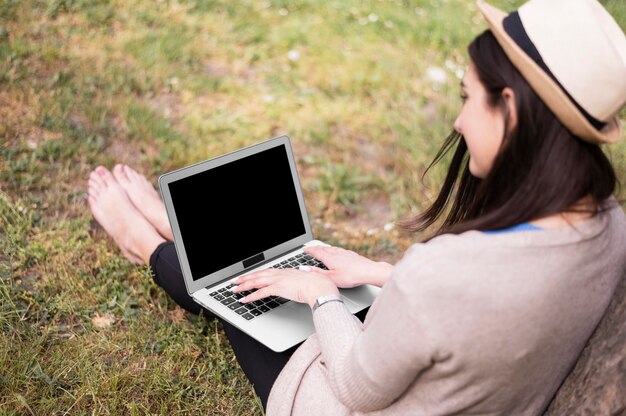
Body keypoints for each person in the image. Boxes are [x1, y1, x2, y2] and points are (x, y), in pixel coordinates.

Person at [87, 0, 626, 414]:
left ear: (508, 109)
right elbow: (477, 311)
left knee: (241, 290)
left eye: (466, 97)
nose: (459, 122)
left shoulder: (445, 275)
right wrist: (382, 274)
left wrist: (321, 297)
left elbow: (356, 387)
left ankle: (150, 243)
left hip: (349, 401)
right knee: (277, 274)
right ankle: (174, 224)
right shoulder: (609, 227)